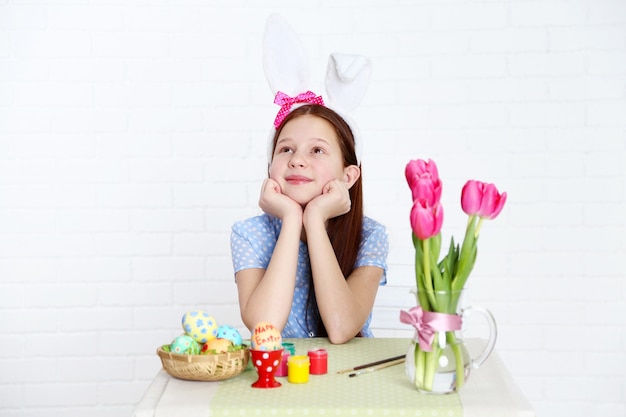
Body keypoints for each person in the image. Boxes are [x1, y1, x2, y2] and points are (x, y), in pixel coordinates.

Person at [230, 103, 388, 344]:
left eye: (317, 150)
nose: (297, 160)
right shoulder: (249, 234)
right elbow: (265, 326)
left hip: (349, 374)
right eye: (286, 149)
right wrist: (292, 219)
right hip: (283, 375)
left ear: (348, 177)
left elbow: (341, 328)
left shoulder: (370, 235)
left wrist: (314, 218)